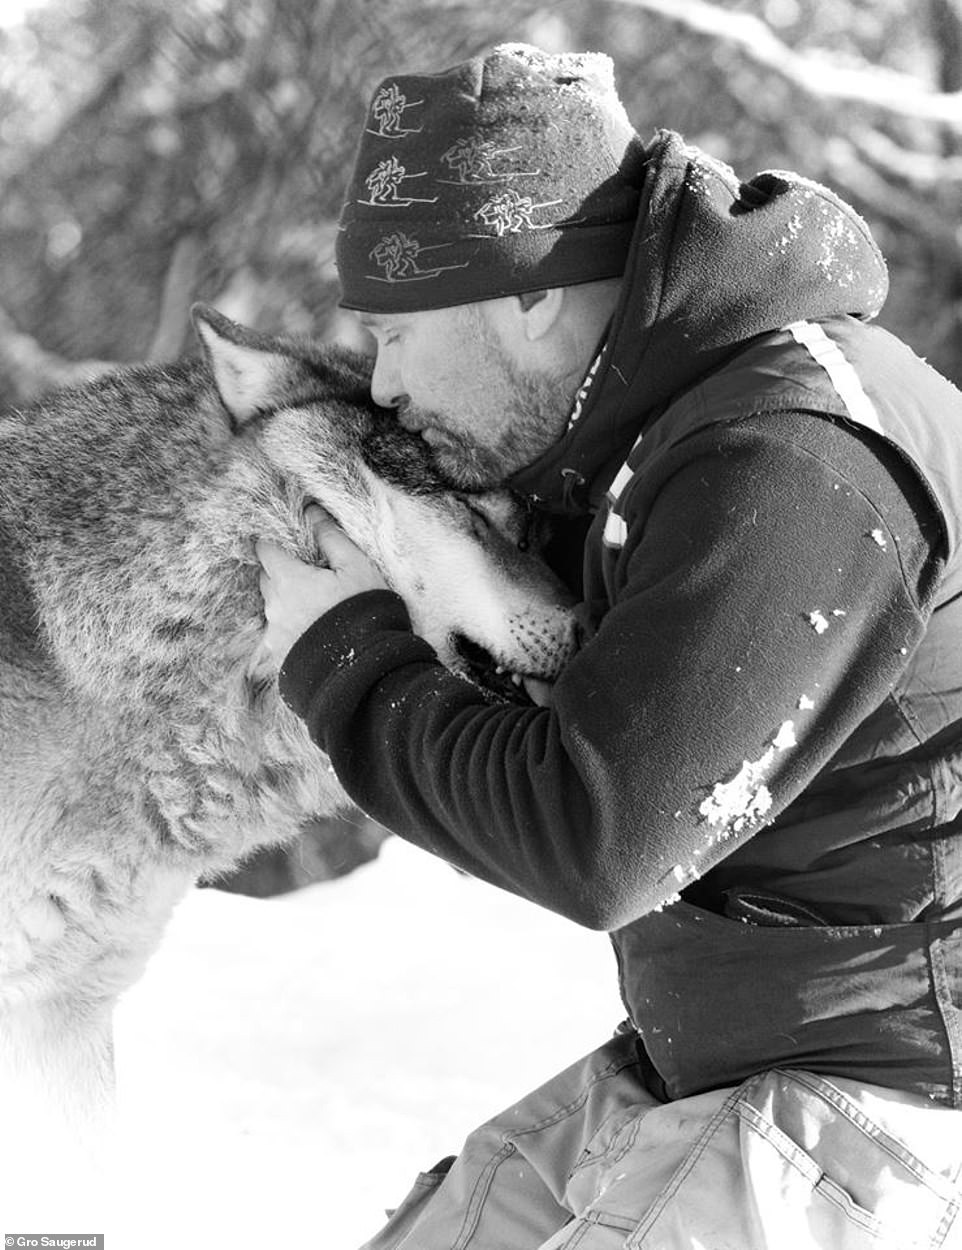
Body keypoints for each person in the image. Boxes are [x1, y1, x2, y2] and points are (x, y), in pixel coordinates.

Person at [255, 42, 962, 1249]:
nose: (379, 386)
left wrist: (344, 658)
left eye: (394, 333)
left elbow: (602, 831)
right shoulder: (651, 430)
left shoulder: (792, 458)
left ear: (526, 295)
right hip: (731, 1059)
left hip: (882, 1109)